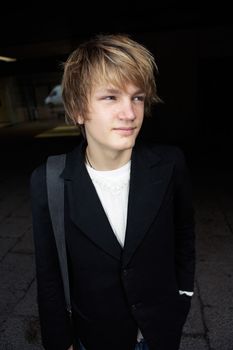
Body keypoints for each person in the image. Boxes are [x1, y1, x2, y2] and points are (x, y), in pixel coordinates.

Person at [30, 34, 195, 350]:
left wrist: (183, 294)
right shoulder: (48, 180)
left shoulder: (170, 163)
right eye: (110, 97)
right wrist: (59, 341)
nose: (130, 114)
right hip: (96, 336)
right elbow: (49, 274)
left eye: (137, 97)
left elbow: (184, 233)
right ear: (79, 110)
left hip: (161, 330)